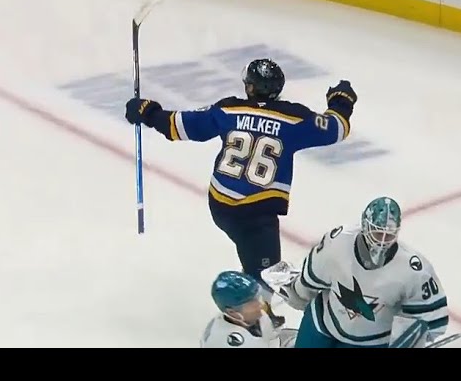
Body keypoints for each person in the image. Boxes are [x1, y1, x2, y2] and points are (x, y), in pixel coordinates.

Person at [125, 58, 357, 327]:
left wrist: (148, 111)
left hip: (221, 204)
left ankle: (256, 307)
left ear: (249, 87)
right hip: (256, 216)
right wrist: (341, 101)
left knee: (259, 264)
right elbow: (336, 128)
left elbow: (180, 125)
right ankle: (252, 325)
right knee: (267, 275)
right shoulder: (295, 118)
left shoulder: (228, 109)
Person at [277, 196, 449, 348]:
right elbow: (310, 279)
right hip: (324, 323)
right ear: (365, 226)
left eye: (387, 235)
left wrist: (412, 340)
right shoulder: (338, 243)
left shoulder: (413, 270)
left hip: (370, 341)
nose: (382, 242)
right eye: (377, 233)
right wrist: (298, 293)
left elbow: (433, 321)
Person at [200, 271, 297, 348]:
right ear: (232, 312)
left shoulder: (248, 315)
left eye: (257, 297)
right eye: (251, 303)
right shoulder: (225, 342)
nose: (260, 304)